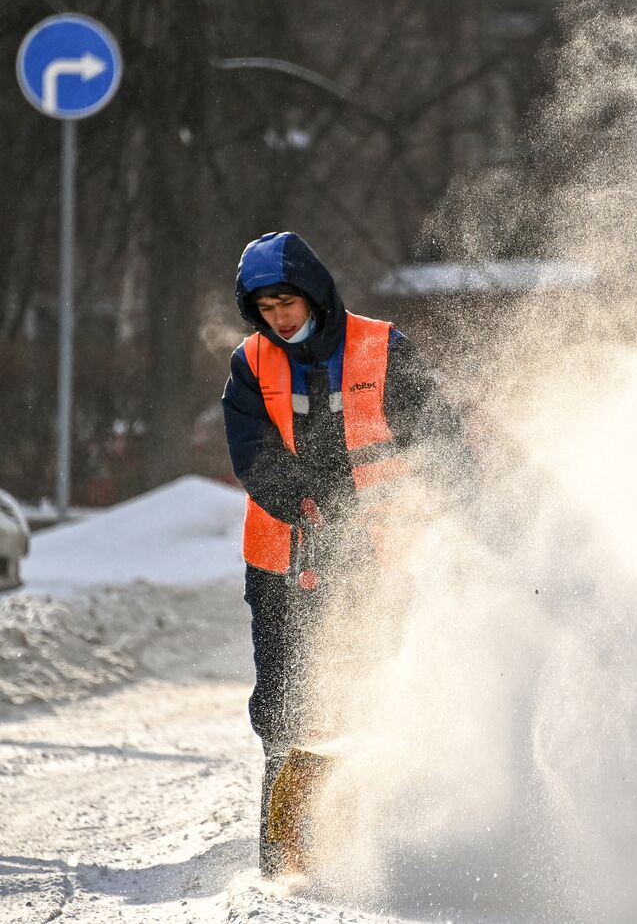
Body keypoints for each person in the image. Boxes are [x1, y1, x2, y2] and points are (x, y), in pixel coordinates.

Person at [221, 231, 461, 876]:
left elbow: (437, 431)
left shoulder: (381, 349)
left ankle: (372, 840)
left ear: (315, 294)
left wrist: (470, 488)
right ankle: (287, 851)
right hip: (282, 557)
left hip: (379, 556)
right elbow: (251, 452)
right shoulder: (250, 363)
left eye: (288, 304)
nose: (280, 320)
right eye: (267, 310)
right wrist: (301, 504)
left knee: (374, 689)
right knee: (286, 699)